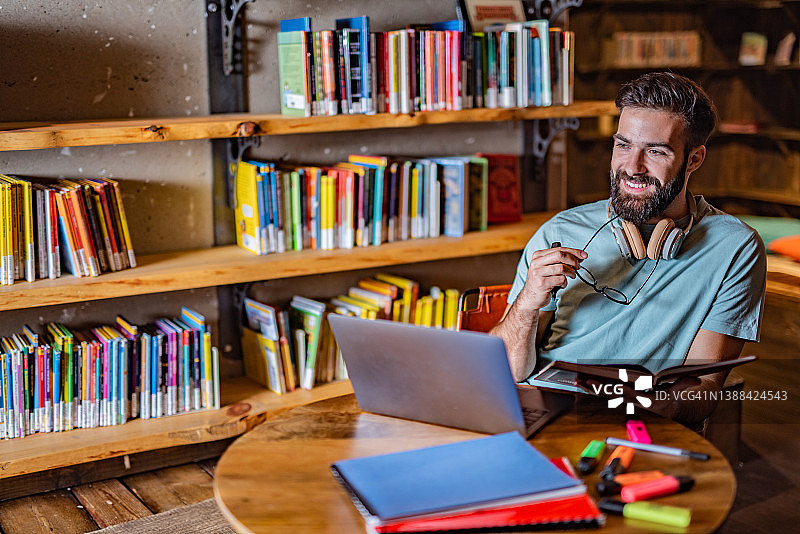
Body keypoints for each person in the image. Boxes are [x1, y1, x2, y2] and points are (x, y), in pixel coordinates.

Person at [491, 72, 767, 425]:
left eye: (655, 151)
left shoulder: (734, 248)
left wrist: (655, 407)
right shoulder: (561, 230)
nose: (632, 168)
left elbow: (704, 385)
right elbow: (510, 370)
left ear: (694, 159)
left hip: (636, 417)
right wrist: (529, 302)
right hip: (538, 404)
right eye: (623, 145)